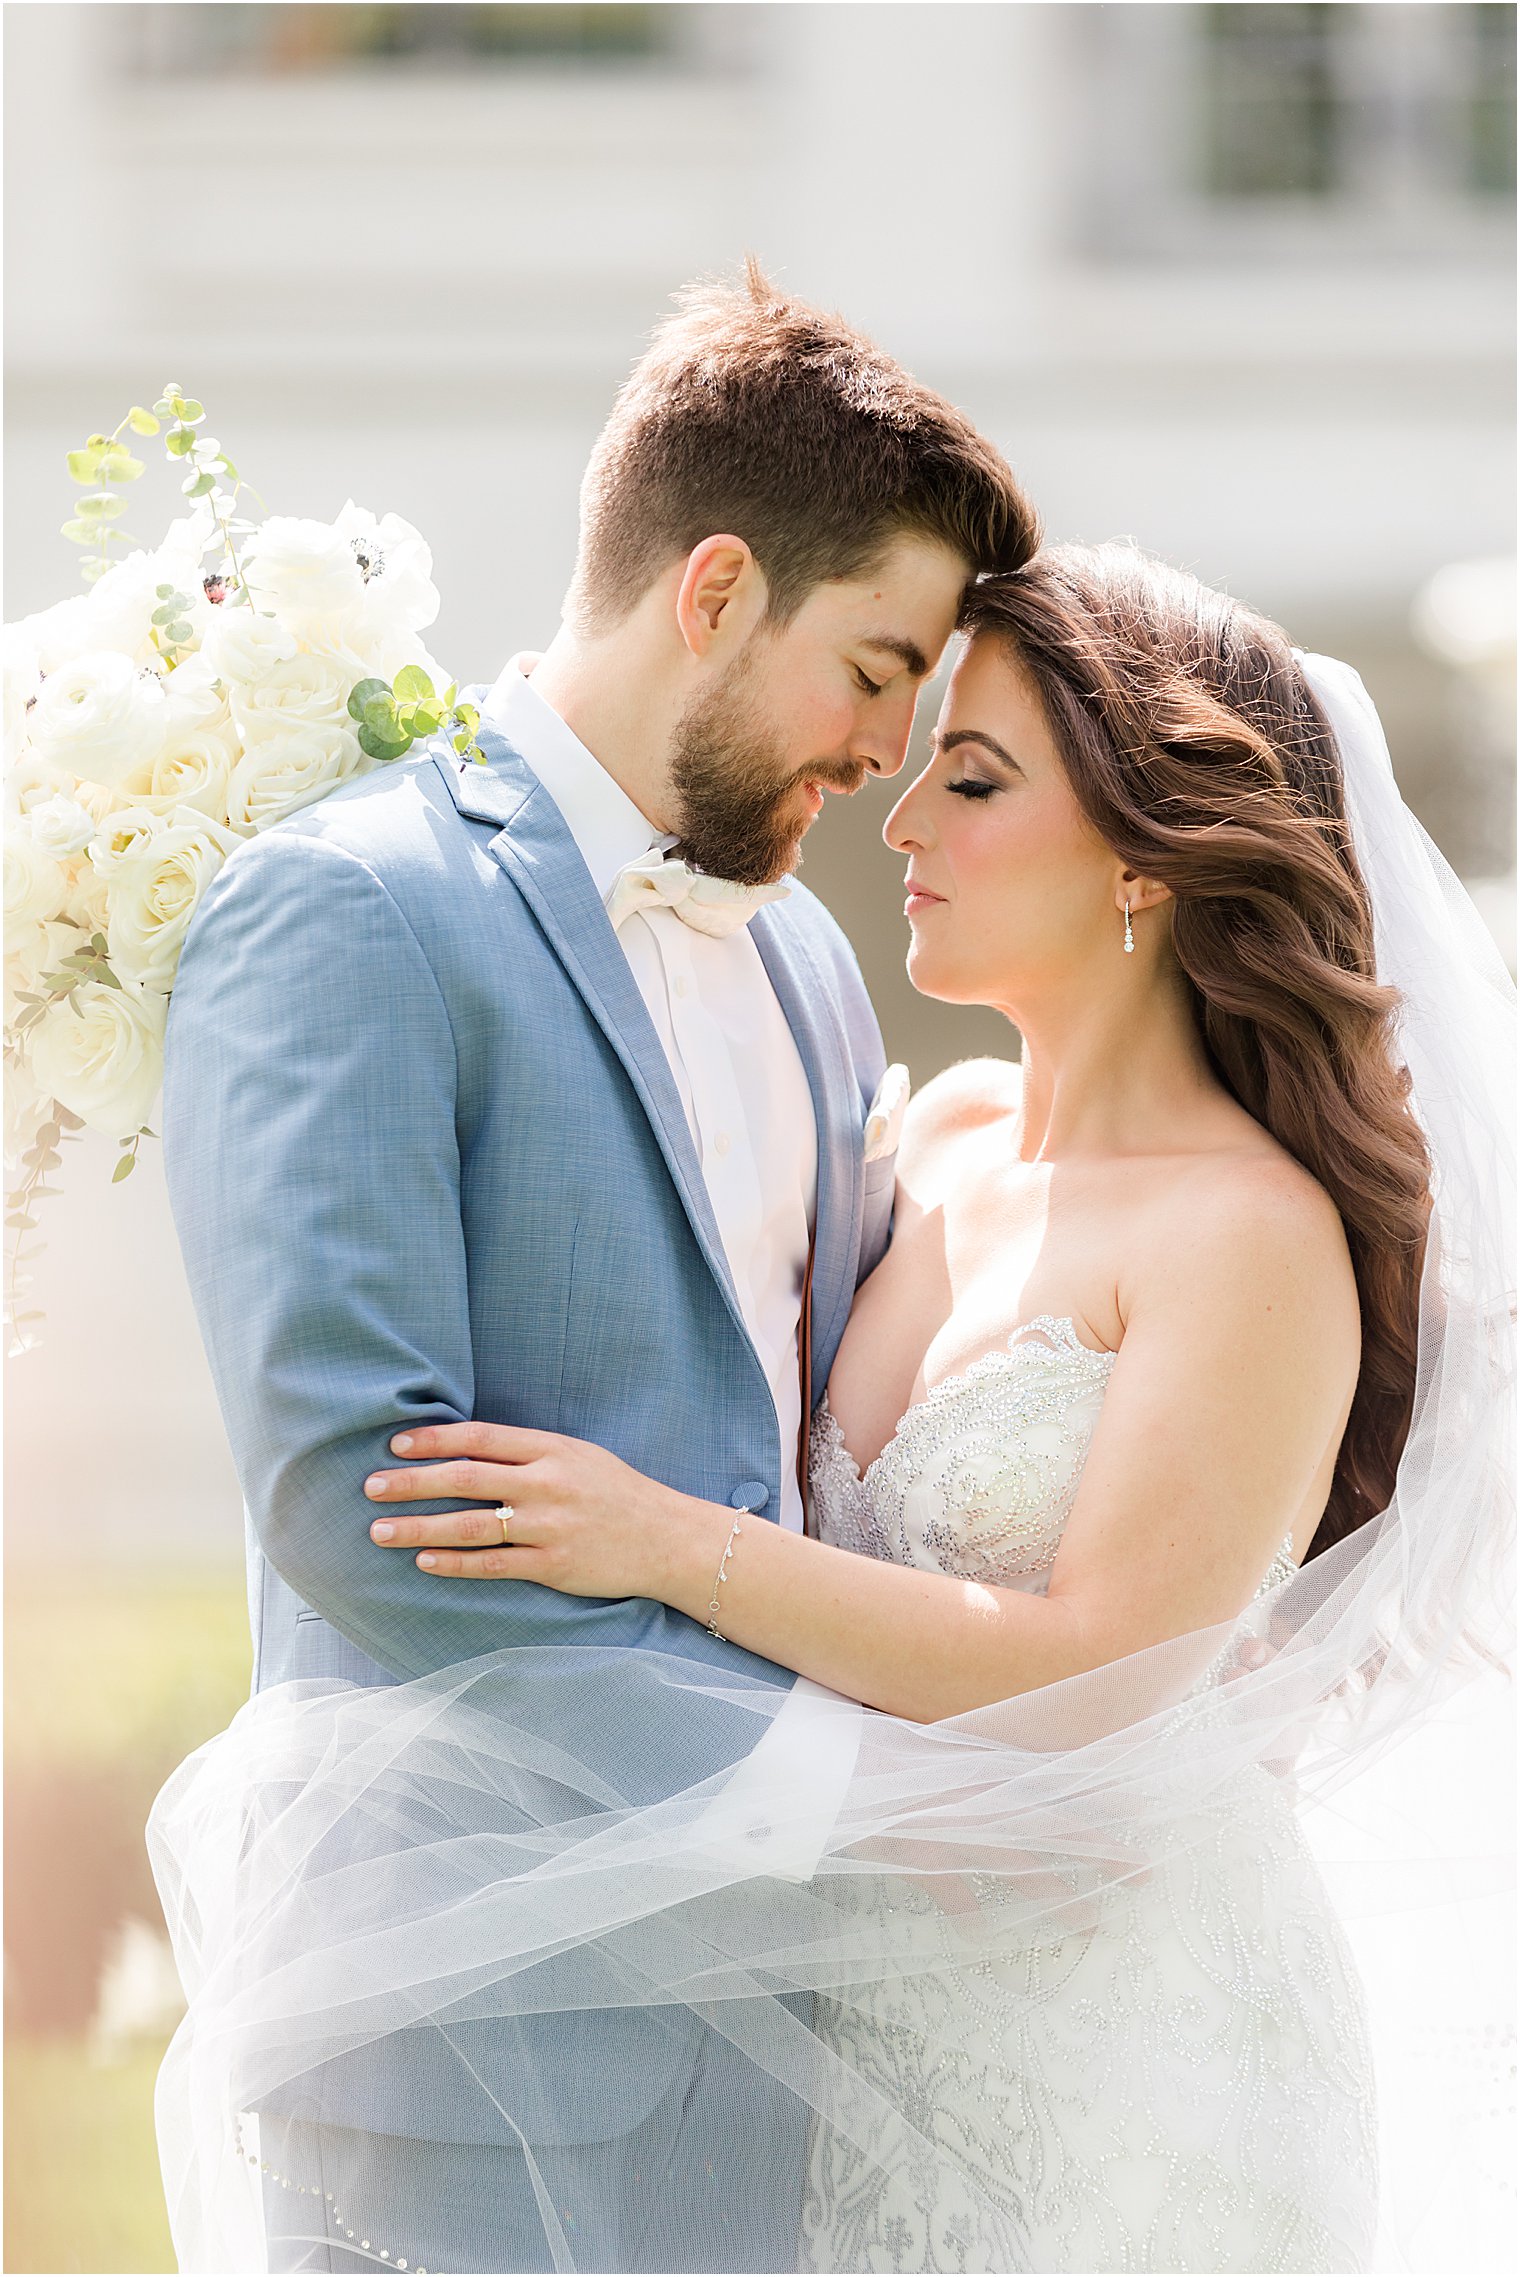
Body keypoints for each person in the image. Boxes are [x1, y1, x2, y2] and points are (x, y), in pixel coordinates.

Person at [327, 547, 1512, 2271]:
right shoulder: (931, 1138)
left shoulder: (1248, 1235)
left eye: (973, 780)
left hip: (1127, 2055)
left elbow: (1096, 1665)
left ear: (1144, 853)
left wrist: (664, 1546)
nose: (900, 825)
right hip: (864, 2012)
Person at [155, 262, 1037, 2275]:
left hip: (807, 2051)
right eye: (877, 665)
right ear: (712, 589)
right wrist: (844, 1796)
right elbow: (359, 1496)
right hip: (478, 2051)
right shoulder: (346, 910)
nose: (895, 747)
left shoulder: (811, 964)